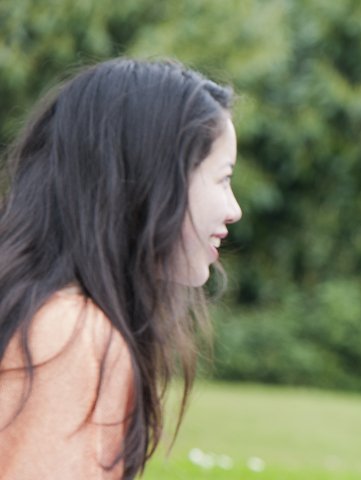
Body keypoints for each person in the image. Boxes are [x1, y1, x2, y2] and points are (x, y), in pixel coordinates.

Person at [0, 58, 242, 478]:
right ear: (154, 180)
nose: (234, 209)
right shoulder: (70, 334)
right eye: (222, 179)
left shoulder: (45, 313)